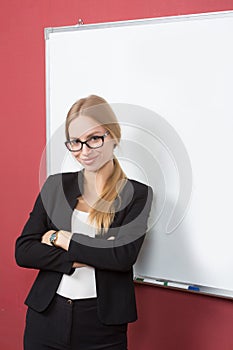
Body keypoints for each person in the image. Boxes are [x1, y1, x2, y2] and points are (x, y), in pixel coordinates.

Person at [15, 95, 153, 350]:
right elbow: (24, 251)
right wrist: (93, 251)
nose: (84, 151)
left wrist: (61, 239)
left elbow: (122, 256)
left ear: (113, 136)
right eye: (76, 142)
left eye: (94, 138)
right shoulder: (55, 186)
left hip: (102, 326)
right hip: (46, 315)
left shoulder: (137, 194)